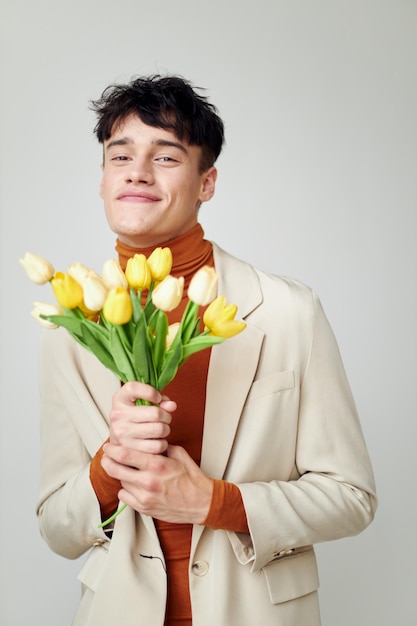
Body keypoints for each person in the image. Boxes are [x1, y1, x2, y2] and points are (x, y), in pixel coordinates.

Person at [36, 74, 377, 626]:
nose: (138, 172)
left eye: (166, 158)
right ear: (102, 179)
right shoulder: (68, 327)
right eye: (119, 156)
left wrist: (215, 503)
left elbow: (351, 497)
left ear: (207, 182)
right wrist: (107, 470)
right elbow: (56, 526)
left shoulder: (289, 311)